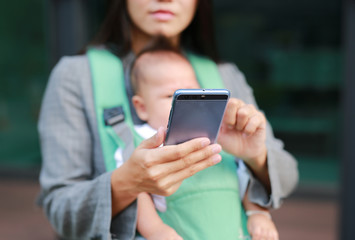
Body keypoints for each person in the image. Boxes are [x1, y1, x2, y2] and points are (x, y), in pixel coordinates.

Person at [37, 0, 298, 239]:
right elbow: (61, 210)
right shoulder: (75, 76)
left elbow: (288, 177)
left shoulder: (225, 75)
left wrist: (257, 157)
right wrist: (128, 182)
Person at [125, 47, 279, 239]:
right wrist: (156, 230)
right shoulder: (141, 143)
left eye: (193, 93)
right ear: (142, 107)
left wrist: (258, 214)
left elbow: (242, 176)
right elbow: (137, 194)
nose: (185, 106)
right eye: (171, 96)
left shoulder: (218, 136)